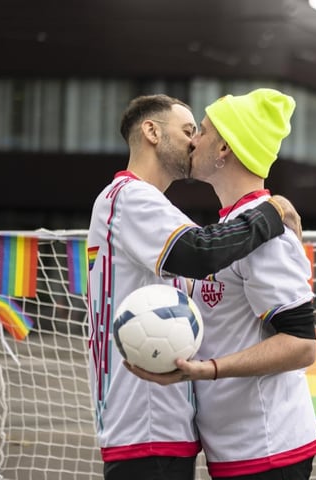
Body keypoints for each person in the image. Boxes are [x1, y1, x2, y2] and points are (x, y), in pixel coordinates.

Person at [86, 93, 303, 480]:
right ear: (151, 132)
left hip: (168, 425)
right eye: (189, 130)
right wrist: (271, 209)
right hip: (145, 422)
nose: (193, 141)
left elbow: (299, 340)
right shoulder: (129, 198)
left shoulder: (156, 207)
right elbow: (201, 252)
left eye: (198, 132)